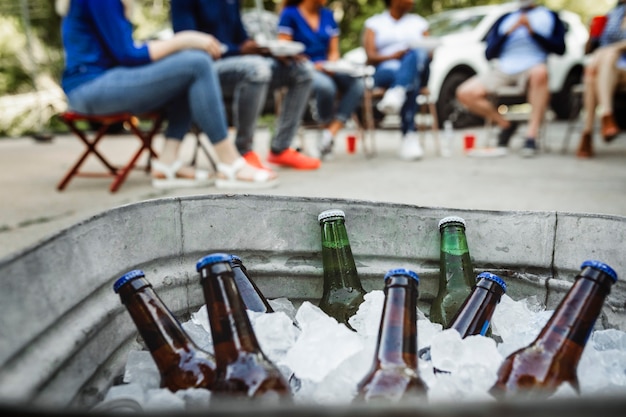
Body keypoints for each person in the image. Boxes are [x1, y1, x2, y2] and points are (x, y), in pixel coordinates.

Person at [57, 0, 277, 189]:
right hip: (91, 86)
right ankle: (229, 162)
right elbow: (127, 54)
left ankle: (168, 161)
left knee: (185, 71)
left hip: (102, 82)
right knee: (197, 62)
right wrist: (186, 39)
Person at [170, 0, 321, 171]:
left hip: (239, 63)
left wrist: (268, 50)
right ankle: (243, 152)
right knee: (257, 69)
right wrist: (238, 50)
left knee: (302, 71)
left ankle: (281, 148)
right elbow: (186, 45)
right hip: (205, 68)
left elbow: (241, 39)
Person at [456, 0, 566, 158]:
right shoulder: (505, 18)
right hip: (504, 68)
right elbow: (489, 53)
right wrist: (509, 32)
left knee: (540, 73)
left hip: (533, 65)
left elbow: (560, 49)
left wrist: (532, 31)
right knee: (464, 92)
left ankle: (531, 137)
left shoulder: (550, 16)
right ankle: (506, 125)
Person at [277, 0, 365, 159]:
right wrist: (313, 65)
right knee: (327, 87)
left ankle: (328, 134)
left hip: (327, 66)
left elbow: (333, 50)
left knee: (357, 83)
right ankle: (323, 130)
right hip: (301, 68)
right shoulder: (290, 14)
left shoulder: (328, 15)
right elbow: (285, 50)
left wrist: (331, 64)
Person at [363, 0, 431, 161]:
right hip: (386, 70)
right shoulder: (374, 23)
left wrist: (411, 57)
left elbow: (430, 53)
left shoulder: (419, 22)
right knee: (410, 80)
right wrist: (392, 56)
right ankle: (409, 135)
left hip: (420, 70)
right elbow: (370, 56)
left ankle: (397, 91)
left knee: (416, 53)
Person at [576, 0, 626, 158]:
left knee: (606, 57)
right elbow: (592, 49)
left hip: (619, 64)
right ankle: (606, 118)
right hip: (610, 70)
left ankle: (588, 134)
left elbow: (609, 49)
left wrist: (613, 48)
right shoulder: (614, 14)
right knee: (592, 76)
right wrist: (593, 37)